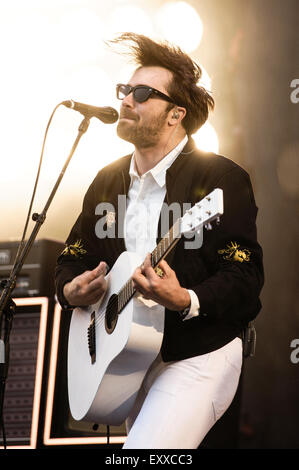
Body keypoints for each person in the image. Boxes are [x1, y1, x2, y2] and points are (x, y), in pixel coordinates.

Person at [55, 33, 264, 449]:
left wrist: (185, 298)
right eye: (125, 90)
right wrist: (69, 288)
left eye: (143, 93)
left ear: (175, 115)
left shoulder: (219, 181)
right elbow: (74, 254)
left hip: (199, 354)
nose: (127, 100)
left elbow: (245, 276)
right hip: (129, 356)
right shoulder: (107, 181)